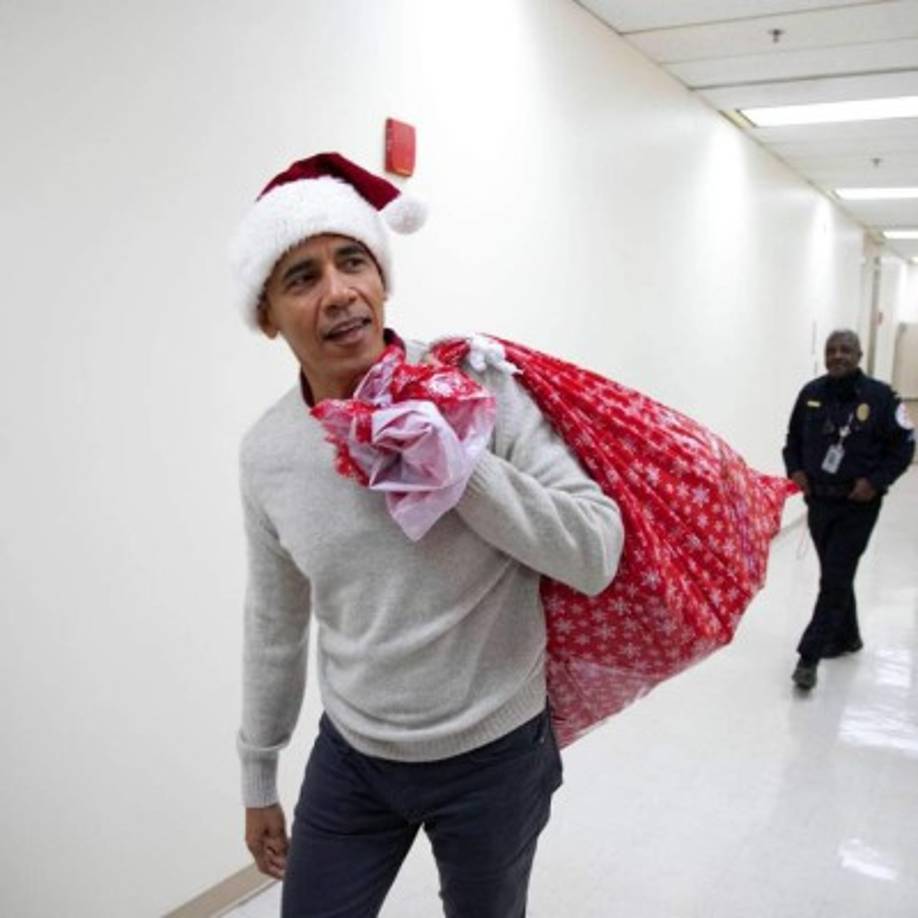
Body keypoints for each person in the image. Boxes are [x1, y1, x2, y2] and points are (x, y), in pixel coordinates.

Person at [229, 153, 625, 917]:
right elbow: (274, 625)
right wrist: (257, 777)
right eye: (301, 278)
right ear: (268, 316)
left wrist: (461, 467)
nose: (339, 292)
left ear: (382, 281)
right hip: (355, 756)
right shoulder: (269, 453)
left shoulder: (480, 387)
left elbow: (594, 551)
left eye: (353, 261)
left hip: (496, 754)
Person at [782, 329, 914, 690]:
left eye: (845, 350)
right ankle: (848, 636)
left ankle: (808, 657)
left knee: (835, 576)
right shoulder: (811, 394)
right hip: (820, 501)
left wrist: (875, 481)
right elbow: (791, 440)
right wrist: (795, 470)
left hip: (858, 505)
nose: (837, 356)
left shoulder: (882, 397)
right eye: (831, 350)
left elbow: (904, 447)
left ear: (859, 354)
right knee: (835, 573)